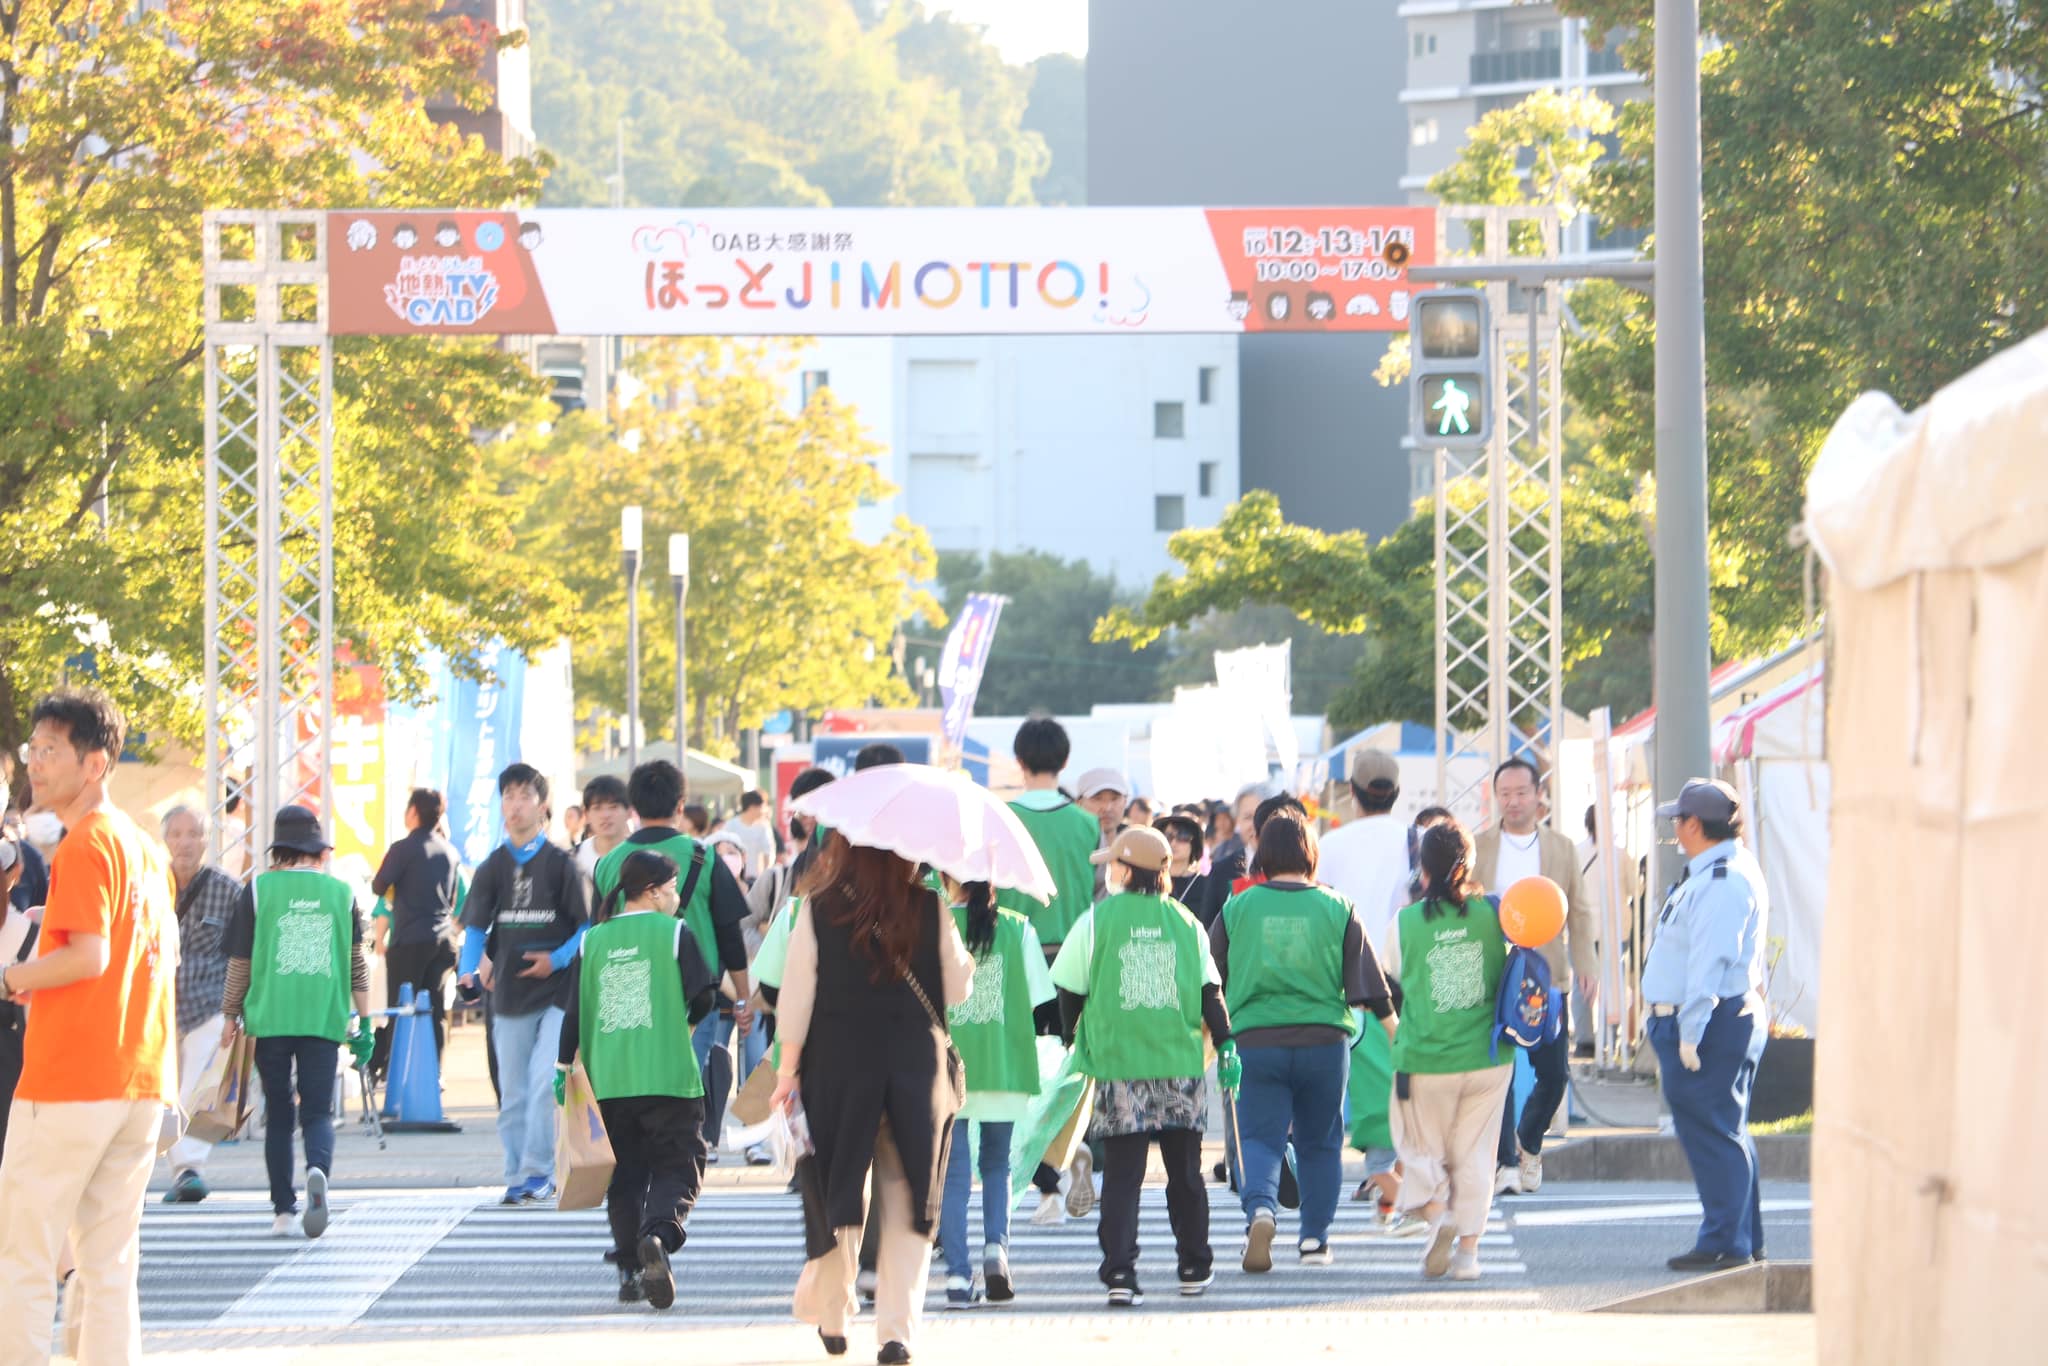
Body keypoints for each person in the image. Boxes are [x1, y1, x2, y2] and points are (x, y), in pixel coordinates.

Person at [0, 689, 179, 1365]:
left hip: (69, 1080)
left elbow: (88, 955)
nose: (36, 764)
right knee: (108, 1262)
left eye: (50, 751)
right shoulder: (143, 846)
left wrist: (12, 979)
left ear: (94, 763)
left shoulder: (84, 845)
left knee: (24, 1252)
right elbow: (137, 955)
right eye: (33, 749)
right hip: (139, 1078)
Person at [773, 832, 973, 1364]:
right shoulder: (930, 906)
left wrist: (786, 1073)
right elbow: (957, 988)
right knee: (908, 1196)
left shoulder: (819, 907)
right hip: (915, 1065)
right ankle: (896, 1333)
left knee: (842, 1189)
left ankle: (835, 1315)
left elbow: (795, 998)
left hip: (839, 1066)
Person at [1051, 826, 1232, 1307]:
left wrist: (1075, 1036)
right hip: (1179, 1065)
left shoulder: (1097, 921)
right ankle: (1194, 1263)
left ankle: (1121, 1273)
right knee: (1185, 1174)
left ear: (1128, 871)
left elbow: (1069, 987)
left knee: (1125, 1177)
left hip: (1118, 1066)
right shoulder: (1186, 922)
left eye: (1113, 863)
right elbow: (1210, 992)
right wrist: (1228, 1043)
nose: (1108, 871)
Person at [1211, 810, 1395, 1272]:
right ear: (1311, 854)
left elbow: (1209, 978)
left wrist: (1209, 1039)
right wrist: (1402, 1040)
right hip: (1324, 1042)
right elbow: (1372, 990)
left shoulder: (1238, 908)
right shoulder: (1338, 906)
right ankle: (1314, 1238)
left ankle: (1261, 1210)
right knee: (1320, 1142)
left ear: (1264, 856)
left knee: (1259, 1136)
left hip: (1256, 1039)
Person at [555, 849, 718, 1308]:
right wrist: (681, 1024)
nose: (673, 897)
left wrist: (563, 1067)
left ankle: (629, 1269)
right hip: (667, 1075)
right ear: (651, 890)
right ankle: (657, 1237)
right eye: (670, 888)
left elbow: (574, 1014)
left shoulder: (594, 941)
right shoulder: (674, 934)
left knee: (624, 1177)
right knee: (678, 1163)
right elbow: (704, 997)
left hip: (609, 1081)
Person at [220, 805, 375, 1237]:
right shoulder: (342, 895)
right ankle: (317, 1170)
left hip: (269, 1017)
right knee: (318, 1111)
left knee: (280, 1111)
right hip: (323, 1017)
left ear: (279, 850)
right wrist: (365, 1022)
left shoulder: (256, 891)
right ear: (318, 851)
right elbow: (355, 965)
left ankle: (283, 1211)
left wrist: (230, 1014)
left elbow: (241, 963)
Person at [593, 761, 753, 1165]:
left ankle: (640, 1158)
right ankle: (679, 1161)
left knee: (634, 1080)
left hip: (625, 987)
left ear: (633, 806)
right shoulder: (704, 857)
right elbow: (730, 935)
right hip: (692, 995)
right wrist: (744, 996)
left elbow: (597, 931)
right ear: (680, 805)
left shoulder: (610, 863)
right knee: (684, 1080)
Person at [1641, 778, 1771, 1273]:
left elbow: (1708, 966)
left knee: (1713, 1134)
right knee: (1727, 1131)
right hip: (1719, 1018)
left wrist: (1690, 1035)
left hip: (1708, 1023)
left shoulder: (1722, 880)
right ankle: (1741, 1237)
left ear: (1694, 825)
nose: (1674, 827)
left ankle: (1725, 1241)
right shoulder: (1724, 870)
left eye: (1678, 819)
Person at [1385, 818, 1514, 1282]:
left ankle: (1438, 1213)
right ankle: (1469, 1256)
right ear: (1469, 864)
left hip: (1425, 1058)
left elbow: (1394, 977)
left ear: (1422, 865)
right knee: (1476, 1155)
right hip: (1487, 1057)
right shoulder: (1496, 914)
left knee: (1418, 1147)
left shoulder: (1404, 923)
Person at [459, 764, 590, 1205]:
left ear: (543, 805)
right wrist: (466, 970)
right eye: (508, 796)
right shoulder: (492, 867)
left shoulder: (560, 864)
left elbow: (586, 928)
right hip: (509, 998)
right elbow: (476, 928)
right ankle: (515, 1172)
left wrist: (556, 959)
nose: (515, 805)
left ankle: (539, 1171)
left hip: (557, 994)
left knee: (540, 1083)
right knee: (512, 1092)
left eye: (524, 796)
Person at [991, 718, 1101, 1225]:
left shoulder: (1003, 816)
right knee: (1072, 1070)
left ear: (1020, 761)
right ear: (1063, 761)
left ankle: (1046, 1179)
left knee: (1022, 1074)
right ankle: (1068, 1148)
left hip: (1016, 957)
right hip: (1074, 958)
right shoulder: (1085, 822)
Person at [1472, 758, 1596, 1195]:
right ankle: (1505, 1162)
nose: (1513, 801)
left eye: (1521, 792)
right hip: (1495, 974)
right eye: (1504, 793)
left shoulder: (1561, 848)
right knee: (1500, 1072)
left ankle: (1528, 1140)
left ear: (1538, 793)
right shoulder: (1480, 846)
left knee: (1555, 1072)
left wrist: (1588, 966)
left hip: (1547, 977)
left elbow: (1579, 911)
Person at [937, 874, 1054, 1308]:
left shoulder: (937, 923)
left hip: (949, 1069)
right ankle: (996, 1251)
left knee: (952, 1174)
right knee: (996, 1166)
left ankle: (956, 1275)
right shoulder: (1019, 927)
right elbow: (1042, 1001)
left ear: (950, 879)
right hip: (1004, 1065)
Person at [160, 805, 241, 1205]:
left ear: (207, 840)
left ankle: (187, 1170)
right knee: (163, 1092)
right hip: (156, 1007)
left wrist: (238, 1008)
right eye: (176, 833)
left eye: (193, 833)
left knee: (192, 1090)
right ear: (165, 839)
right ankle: (161, 1168)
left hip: (209, 1004)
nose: (184, 842)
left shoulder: (228, 889)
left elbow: (245, 952)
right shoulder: (152, 884)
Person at [369, 788, 461, 1078]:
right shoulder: (451, 850)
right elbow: (454, 900)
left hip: (409, 940)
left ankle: (400, 1075)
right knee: (434, 1009)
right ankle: (432, 1075)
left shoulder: (402, 849)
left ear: (412, 813)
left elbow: (378, 886)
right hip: (444, 940)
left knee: (402, 1008)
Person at [1315, 749, 1412, 951]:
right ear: (1397, 792)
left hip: (1346, 970)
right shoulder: (1418, 840)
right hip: (1402, 971)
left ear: (1352, 790)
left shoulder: (1328, 844)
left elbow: (1318, 913)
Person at [1575, 803, 1641, 1057]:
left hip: (1582, 928)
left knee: (1584, 985)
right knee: (1612, 986)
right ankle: (1610, 1038)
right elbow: (1636, 889)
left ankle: (1584, 1040)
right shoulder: (1621, 855)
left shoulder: (1576, 851)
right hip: (1615, 928)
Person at [1156, 813, 1228, 928]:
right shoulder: (1150, 880)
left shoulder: (1206, 883)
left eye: (1183, 836)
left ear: (1194, 843)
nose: (1173, 843)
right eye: (1168, 836)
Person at [573, 774, 633, 886]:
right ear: (586, 815)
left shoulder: (643, 856)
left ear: (629, 812)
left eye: (613, 807)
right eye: (597, 808)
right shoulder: (574, 858)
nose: (605, 815)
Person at [727, 790, 777, 881]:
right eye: (762, 807)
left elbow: (769, 852)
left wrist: (765, 876)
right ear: (752, 807)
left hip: (757, 879)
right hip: (734, 878)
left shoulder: (763, 827)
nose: (764, 810)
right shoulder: (731, 825)